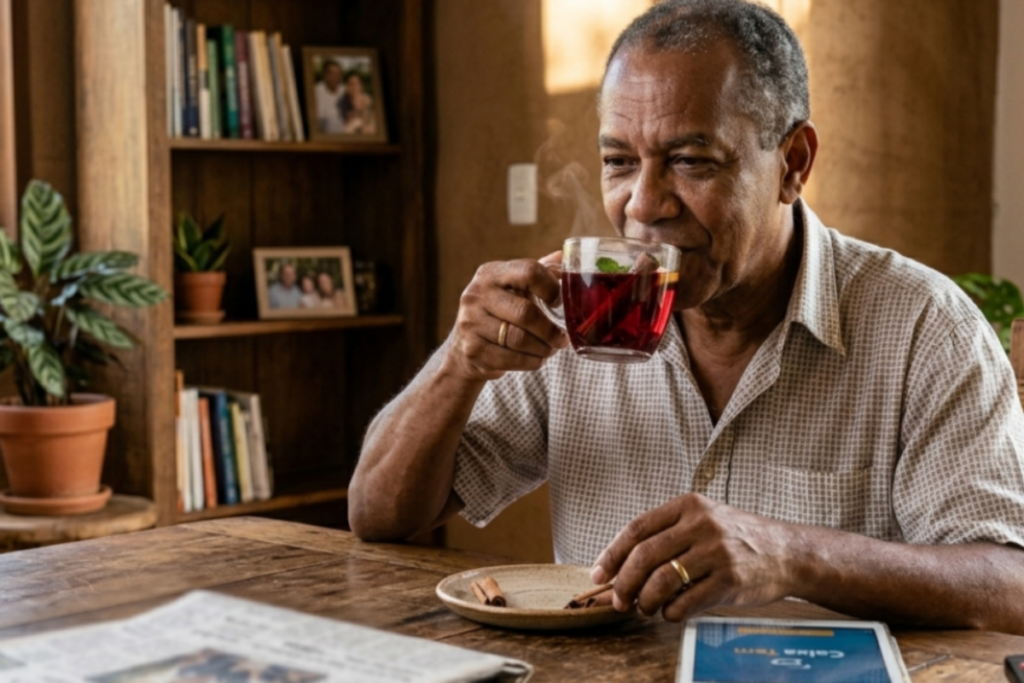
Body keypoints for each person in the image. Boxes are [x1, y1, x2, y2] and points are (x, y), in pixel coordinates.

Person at [349, 0, 1024, 634]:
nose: (643, 206)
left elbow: (1007, 584)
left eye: (690, 161)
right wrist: (457, 366)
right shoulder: (582, 314)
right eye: (619, 162)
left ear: (793, 164)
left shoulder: (923, 326)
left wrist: (790, 555)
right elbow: (379, 517)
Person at [314, 59, 346, 134]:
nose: (335, 77)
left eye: (338, 74)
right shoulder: (316, 91)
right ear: (325, 75)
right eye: (332, 74)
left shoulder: (344, 90)